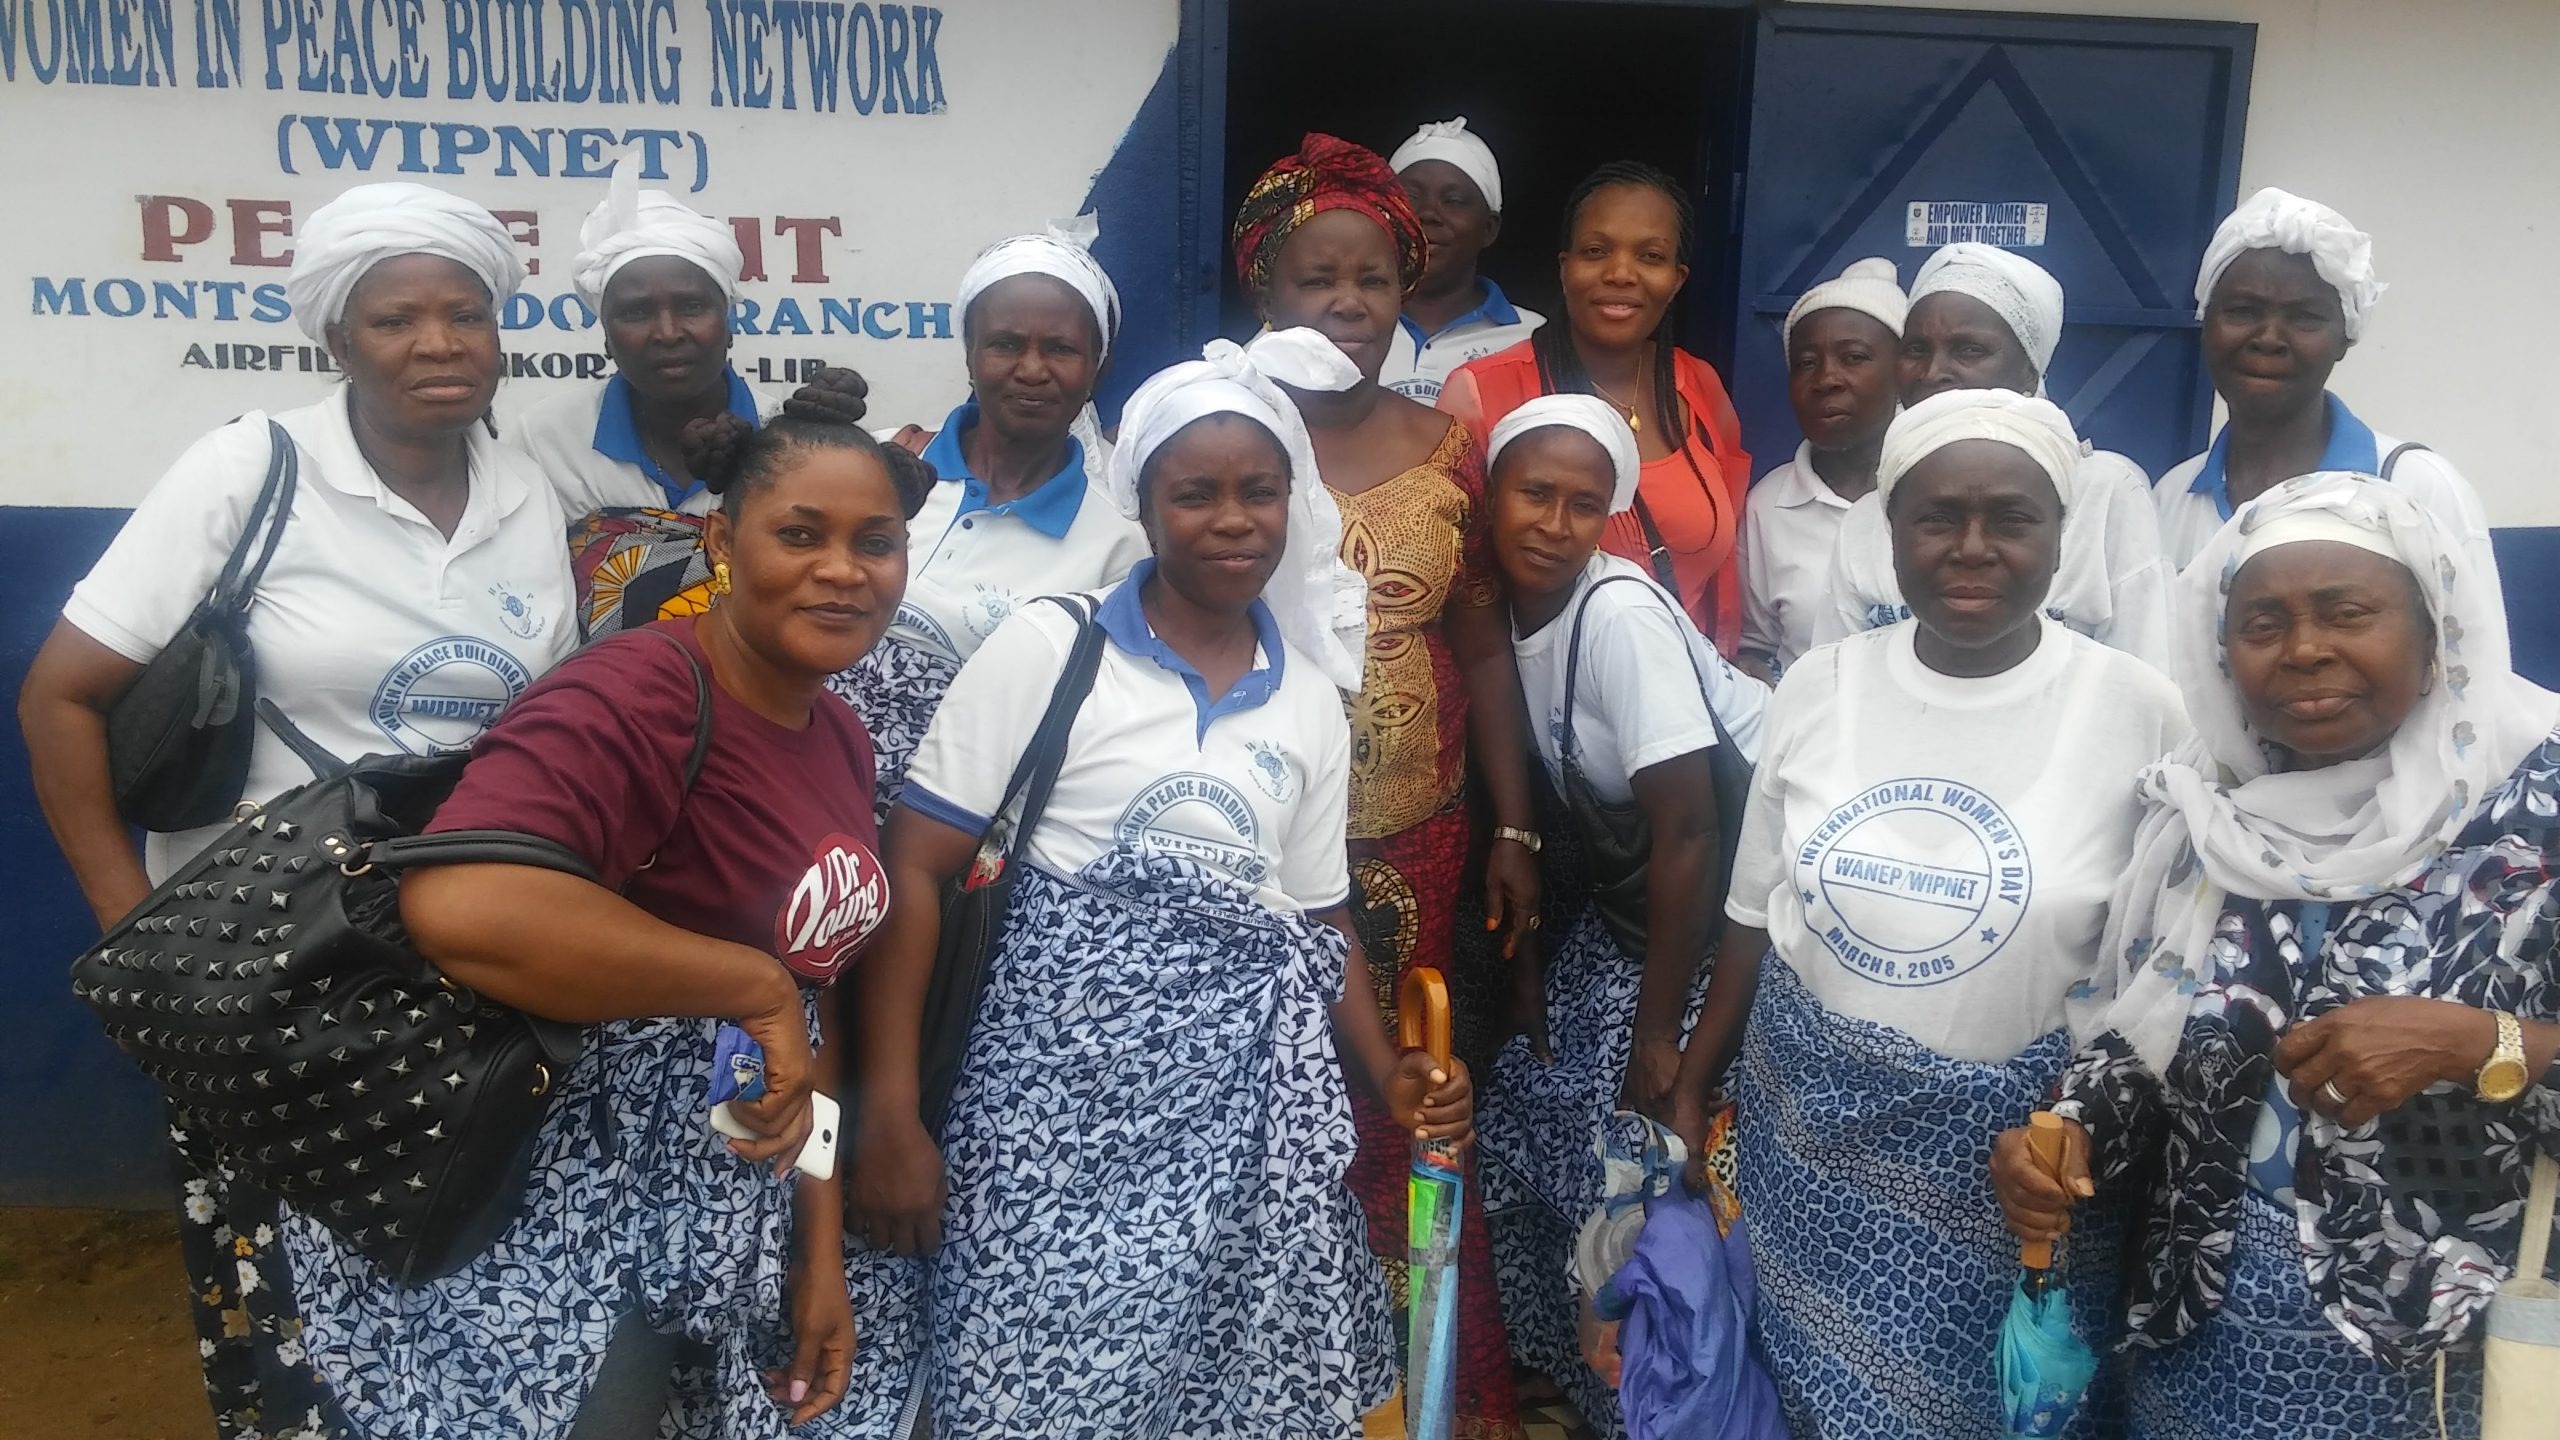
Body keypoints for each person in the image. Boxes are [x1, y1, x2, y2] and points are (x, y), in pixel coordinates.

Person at [19, 181, 577, 1440]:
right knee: (282, 1286)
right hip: (262, 967)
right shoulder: (250, 468)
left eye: (466, 315)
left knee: (457, 1255)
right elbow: (63, 699)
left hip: (467, 954)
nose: (438, 345)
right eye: (395, 320)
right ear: (336, 337)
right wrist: (136, 937)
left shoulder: (526, 489)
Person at [843, 331, 1472, 1437]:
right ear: (1145, 505)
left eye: (1259, 492)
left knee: (1205, 1395)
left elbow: (1314, 922)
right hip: (1037, 1120)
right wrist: (890, 1113)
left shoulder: (1307, 701)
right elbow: (917, 866)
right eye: (1195, 494)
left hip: (1226, 1130)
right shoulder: (1056, 648)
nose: (1233, 520)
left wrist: (1390, 1074)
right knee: (1018, 1383)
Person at [283, 407, 933, 1439]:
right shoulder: (641, 694)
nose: (842, 571)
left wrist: (816, 1250)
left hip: (720, 1200)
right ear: (722, 544)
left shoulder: (837, 733)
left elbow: (806, 1015)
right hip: (560, 1214)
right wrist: (746, 985)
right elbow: (462, 902)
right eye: (800, 534)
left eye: (875, 542)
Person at [1993, 472, 2560, 1440]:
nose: (2304, 650)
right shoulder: (2202, 812)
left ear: (2433, 636)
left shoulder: (2532, 809)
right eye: (2262, 624)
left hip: (2448, 1368)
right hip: (2202, 1348)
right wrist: (2067, 1134)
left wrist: (2480, 1042)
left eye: (2347, 613)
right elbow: (2146, 1034)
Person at [1671, 388, 2191, 1439]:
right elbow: (1752, 912)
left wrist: (2078, 1137)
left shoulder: (2139, 709)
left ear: (2060, 535)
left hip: (2022, 1190)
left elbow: (2160, 975)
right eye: (1935, 517)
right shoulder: (1818, 687)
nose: (1970, 547)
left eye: (2011, 518)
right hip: (1805, 1165)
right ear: (1888, 531)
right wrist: (1688, 1086)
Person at [1231, 131, 1540, 1438]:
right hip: (1256, 852)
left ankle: (1432, 1393)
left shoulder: (1449, 444)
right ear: (1267, 290)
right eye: (1319, 280)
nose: (1349, 306)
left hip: (1419, 849)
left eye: (1373, 279)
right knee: (1279, 1120)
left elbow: (1481, 640)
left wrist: (1516, 824)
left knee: (1416, 1103)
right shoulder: (1221, 437)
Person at [1472, 394, 1769, 1434]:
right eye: (1532, 494)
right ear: (1490, 494)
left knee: (1632, 1130)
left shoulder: (1618, 618)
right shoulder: (1502, 609)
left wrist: (1658, 1038)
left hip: (1727, 898)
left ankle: (1648, 1388)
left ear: (1611, 518)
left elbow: (1689, 828)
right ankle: (1568, 1364)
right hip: (1635, 904)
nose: (1553, 524)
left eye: (1582, 505)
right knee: (1520, 1104)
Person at [827, 218, 1149, 819]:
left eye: (1060, 348)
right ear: (970, 354)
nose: (1031, 369)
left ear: (1096, 369)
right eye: (1005, 344)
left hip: (944, 833)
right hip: (790, 783)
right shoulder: (876, 463)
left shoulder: (1117, 545)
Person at [2152, 190, 2503, 631]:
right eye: (2242, 311)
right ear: (2207, 322)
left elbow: (2475, 676)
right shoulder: (2173, 497)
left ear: (2345, 339)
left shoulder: (2417, 489)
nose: (2268, 338)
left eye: (2305, 318)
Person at [1440, 161, 1754, 653]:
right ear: (1564, 268)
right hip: (1543, 707)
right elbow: (1460, 583)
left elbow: (1725, 564)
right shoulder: (1482, 393)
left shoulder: (1697, 385)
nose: (1621, 274)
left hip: (1686, 701)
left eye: (1650, 256)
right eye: (1595, 251)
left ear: (1676, 279)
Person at [1814, 243, 2174, 670]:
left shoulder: (2105, 493)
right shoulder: (1866, 517)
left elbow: (2144, 676)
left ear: (2029, 371)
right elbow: (1833, 682)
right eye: (1916, 350)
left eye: (1968, 350)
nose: (1933, 373)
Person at [513, 167, 784, 525]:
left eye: (691, 307)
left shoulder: (782, 435)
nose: (668, 333)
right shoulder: (547, 442)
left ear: (728, 323)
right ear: (606, 336)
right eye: (636, 312)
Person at [1739, 258, 1907, 676]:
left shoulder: (1944, 490)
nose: (1826, 379)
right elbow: (1754, 649)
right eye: (1806, 362)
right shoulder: (1769, 506)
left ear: (1902, 372)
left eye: (1854, 357)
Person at [1382, 117, 1544, 402]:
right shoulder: (1346, 323)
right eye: (1410, 197)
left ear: (1489, 228)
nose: (1428, 213)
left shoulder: (1535, 339)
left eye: (1454, 201)